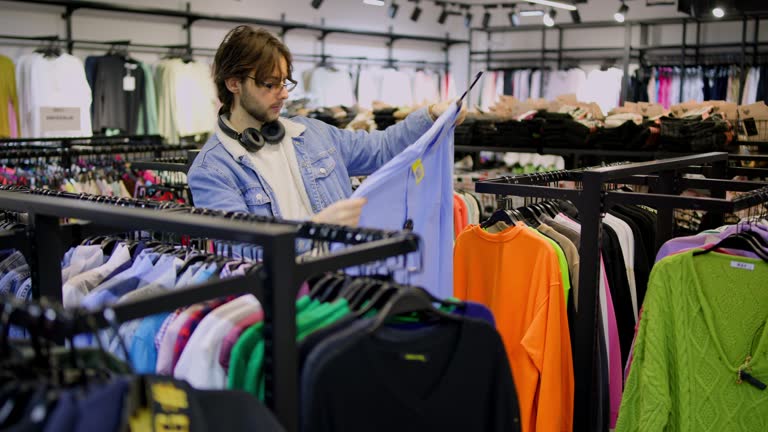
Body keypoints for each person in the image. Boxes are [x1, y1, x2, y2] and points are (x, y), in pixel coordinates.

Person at [188, 25, 465, 227]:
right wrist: (316, 228)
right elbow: (243, 249)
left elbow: (383, 148)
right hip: (288, 289)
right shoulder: (212, 170)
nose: (283, 94)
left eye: (284, 83)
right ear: (234, 83)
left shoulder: (313, 134)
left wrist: (431, 115)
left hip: (345, 279)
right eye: (270, 84)